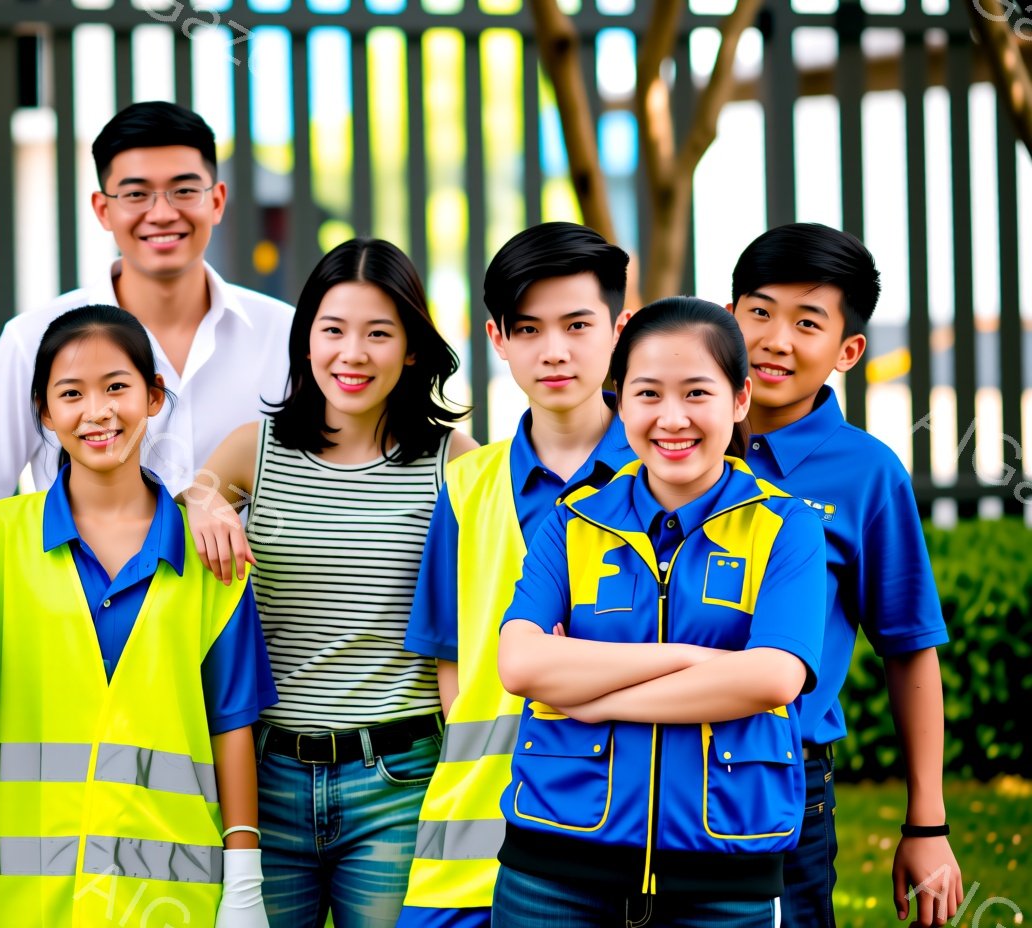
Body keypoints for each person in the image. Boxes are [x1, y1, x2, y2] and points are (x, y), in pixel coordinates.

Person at [0, 305, 279, 927]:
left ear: (154, 397)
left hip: (164, 900)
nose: (96, 411)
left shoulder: (208, 550)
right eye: (70, 393)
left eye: (117, 387)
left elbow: (231, 725)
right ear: (44, 413)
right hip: (20, 899)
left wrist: (243, 879)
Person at [492, 296, 828, 927]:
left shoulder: (787, 529)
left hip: (725, 871)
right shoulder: (570, 520)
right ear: (621, 404)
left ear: (740, 400)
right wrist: (691, 660)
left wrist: (593, 692)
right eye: (647, 394)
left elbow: (772, 678)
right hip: (554, 865)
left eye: (697, 393)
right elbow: (520, 664)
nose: (672, 419)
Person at [180, 238, 475, 926]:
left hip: (400, 777)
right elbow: (185, 509)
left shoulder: (453, 462)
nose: (353, 353)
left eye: (379, 333)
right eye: (333, 330)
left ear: (411, 348)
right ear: (305, 341)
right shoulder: (253, 450)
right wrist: (201, 498)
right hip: (265, 775)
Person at [396, 222, 634, 928]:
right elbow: (453, 668)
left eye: (577, 325)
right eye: (528, 329)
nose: (553, 351)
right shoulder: (466, 486)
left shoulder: (670, 479)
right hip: (473, 837)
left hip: (619, 826)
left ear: (618, 330)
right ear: (497, 339)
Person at [727, 223, 960, 927]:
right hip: (649, 764)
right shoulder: (666, 442)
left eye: (807, 322)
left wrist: (927, 825)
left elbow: (909, 647)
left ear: (848, 350)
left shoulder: (866, 475)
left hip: (787, 776)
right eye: (759, 311)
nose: (775, 340)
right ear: (727, 316)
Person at [0, 101, 293, 537]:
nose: (162, 213)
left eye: (184, 190)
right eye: (135, 194)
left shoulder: (286, 335)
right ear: (103, 209)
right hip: (79, 603)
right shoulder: (32, 340)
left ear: (217, 201)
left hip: (245, 604)